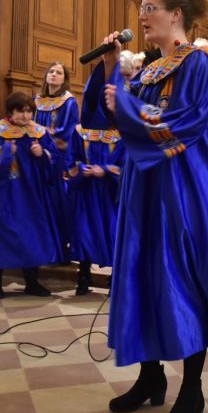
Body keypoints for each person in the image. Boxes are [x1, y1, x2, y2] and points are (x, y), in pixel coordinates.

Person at [85, 0, 208, 413]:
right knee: (143, 275)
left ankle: (191, 394)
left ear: (176, 15)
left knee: (183, 281)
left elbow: (185, 124)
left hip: (185, 193)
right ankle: (150, 377)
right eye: (141, 8)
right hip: (147, 188)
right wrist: (113, 68)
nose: (142, 16)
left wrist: (130, 110)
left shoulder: (197, 65)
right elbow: (106, 118)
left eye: (150, 8)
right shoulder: (152, 69)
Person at [0, 92, 67, 299]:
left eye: (29, 111)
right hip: (1, 194)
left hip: (31, 194)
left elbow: (56, 160)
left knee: (31, 235)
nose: (26, 116)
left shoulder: (39, 133)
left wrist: (42, 154)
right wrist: (1, 149)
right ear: (10, 112)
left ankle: (32, 283)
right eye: (21, 111)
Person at [65, 120, 125, 295]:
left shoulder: (122, 132)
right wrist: (82, 168)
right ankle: (83, 277)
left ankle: (115, 279)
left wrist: (106, 170)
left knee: (113, 234)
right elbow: (71, 160)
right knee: (84, 234)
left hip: (111, 194)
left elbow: (128, 164)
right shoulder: (79, 131)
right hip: (87, 192)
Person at [34, 62, 80, 163]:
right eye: (51, 71)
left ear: (64, 80)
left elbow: (68, 131)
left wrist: (45, 143)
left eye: (59, 73)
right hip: (35, 148)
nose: (54, 74)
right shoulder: (37, 99)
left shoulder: (68, 102)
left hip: (56, 152)